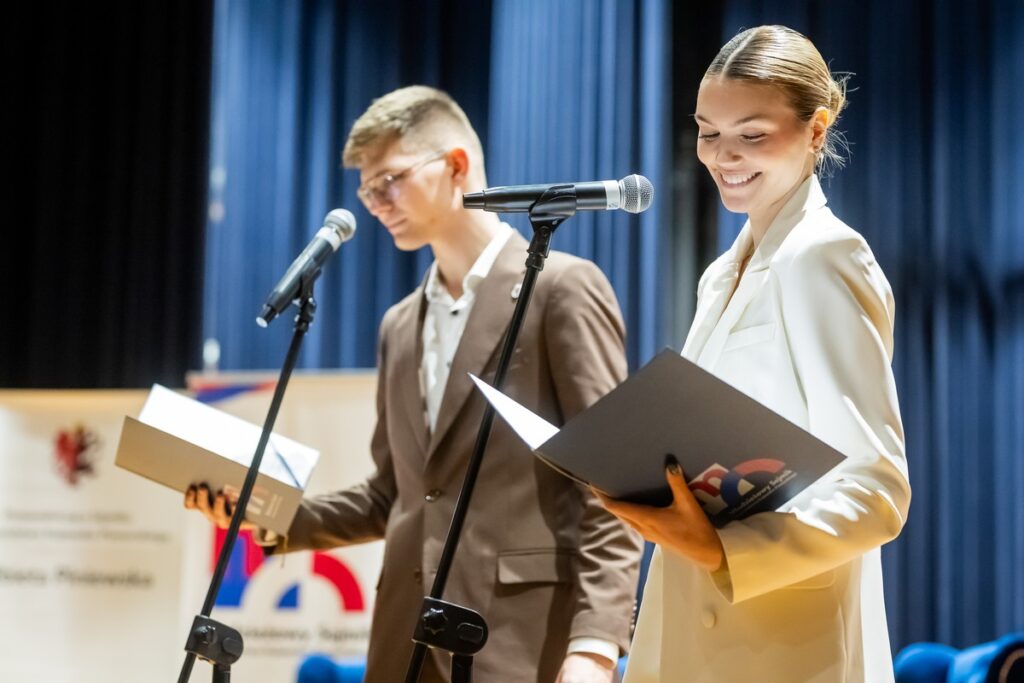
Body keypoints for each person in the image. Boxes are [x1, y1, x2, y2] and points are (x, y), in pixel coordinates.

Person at [186, 85, 642, 683]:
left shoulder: (561, 287)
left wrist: (595, 646)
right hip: (406, 638)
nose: (376, 202)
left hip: (522, 642)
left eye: (390, 180)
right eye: (366, 190)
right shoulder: (400, 324)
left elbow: (613, 483)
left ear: (456, 165)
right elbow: (394, 495)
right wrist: (269, 516)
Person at [599, 26, 912, 683]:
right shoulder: (722, 273)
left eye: (752, 133)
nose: (722, 155)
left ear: (816, 130)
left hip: (781, 650)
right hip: (693, 633)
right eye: (708, 132)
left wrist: (723, 548)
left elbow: (878, 488)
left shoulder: (825, 254)